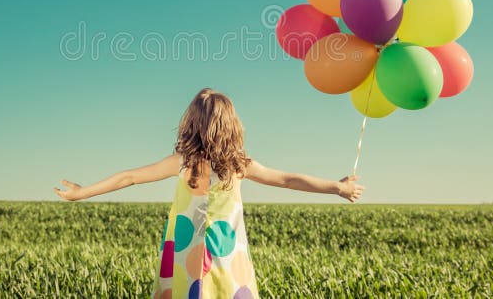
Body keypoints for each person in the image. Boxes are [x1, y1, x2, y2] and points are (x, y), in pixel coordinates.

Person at [54, 88, 364, 298]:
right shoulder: (239, 166)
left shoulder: (183, 163)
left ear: (191, 124)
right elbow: (288, 180)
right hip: (226, 256)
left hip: (185, 254)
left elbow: (130, 177)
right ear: (231, 127)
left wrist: (83, 192)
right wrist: (336, 187)